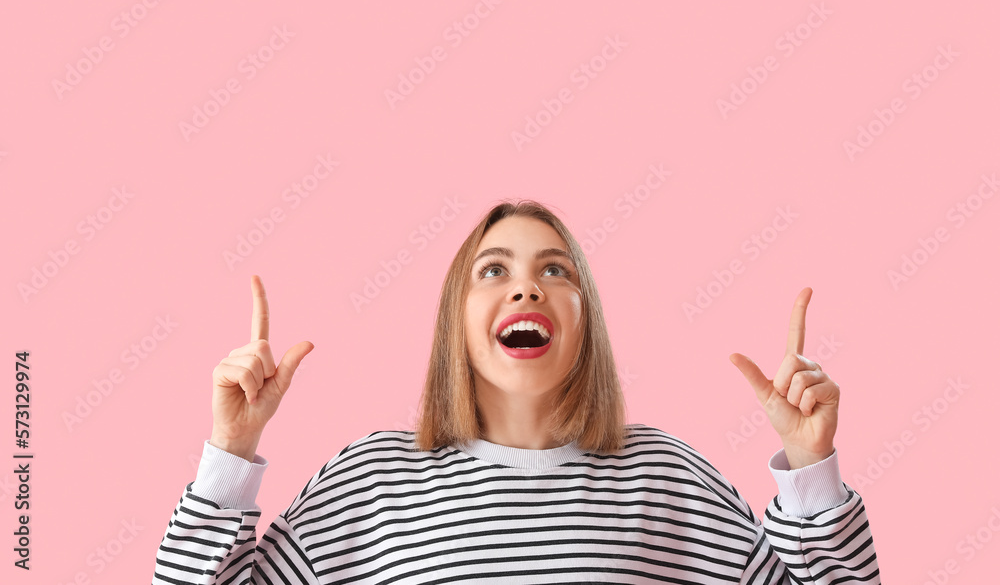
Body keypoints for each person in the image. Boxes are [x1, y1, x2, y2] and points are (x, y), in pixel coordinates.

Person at [152, 199, 880, 583]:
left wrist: (810, 464)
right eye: (493, 269)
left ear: (583, 318)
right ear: (456, 322)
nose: (528, 282)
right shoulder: (369, 479)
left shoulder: (667, 476)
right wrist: (231, 450)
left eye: (556, 270)